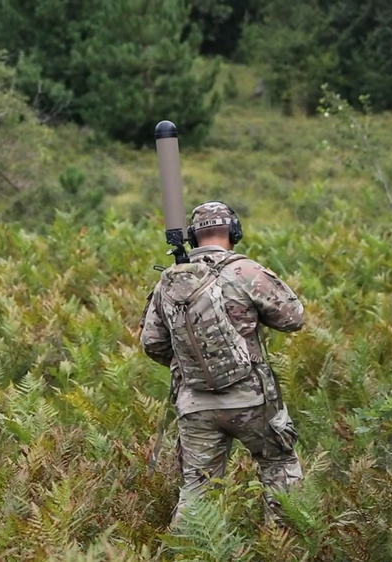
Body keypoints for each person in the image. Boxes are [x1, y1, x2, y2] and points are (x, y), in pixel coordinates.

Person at [139, 200, 305, 528]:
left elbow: (152, 343)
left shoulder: (169, 281)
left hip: (195, 403)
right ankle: (281, 549)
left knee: (197, 491)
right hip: (252, 400)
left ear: (192, 236)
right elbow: (293, 318)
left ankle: (189, 551)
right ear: (234, 232)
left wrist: (192, 363)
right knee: (278, 468)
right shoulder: (246, 271)